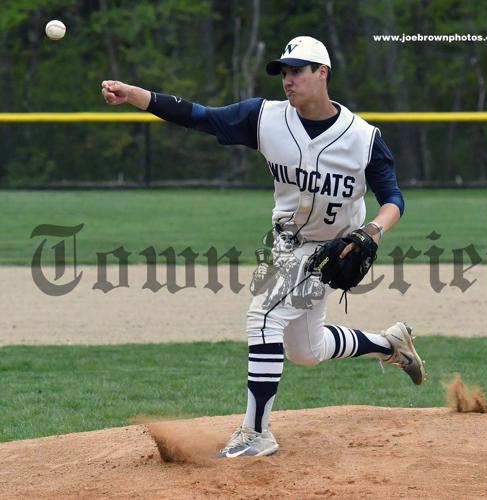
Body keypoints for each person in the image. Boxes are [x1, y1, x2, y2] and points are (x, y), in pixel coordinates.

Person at [102, 35, 426, 458]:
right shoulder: (266, 118)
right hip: (286, 245)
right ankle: (389, 344)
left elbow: (393, 200)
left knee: (263, 317)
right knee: (306, 351)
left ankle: (256, 432)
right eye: (283, 72)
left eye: (297, 71)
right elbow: (201, 117)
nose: (287, 80)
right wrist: (136, 96)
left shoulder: (362, 138)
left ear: (322, 73)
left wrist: (372, 232)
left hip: (334, 251)